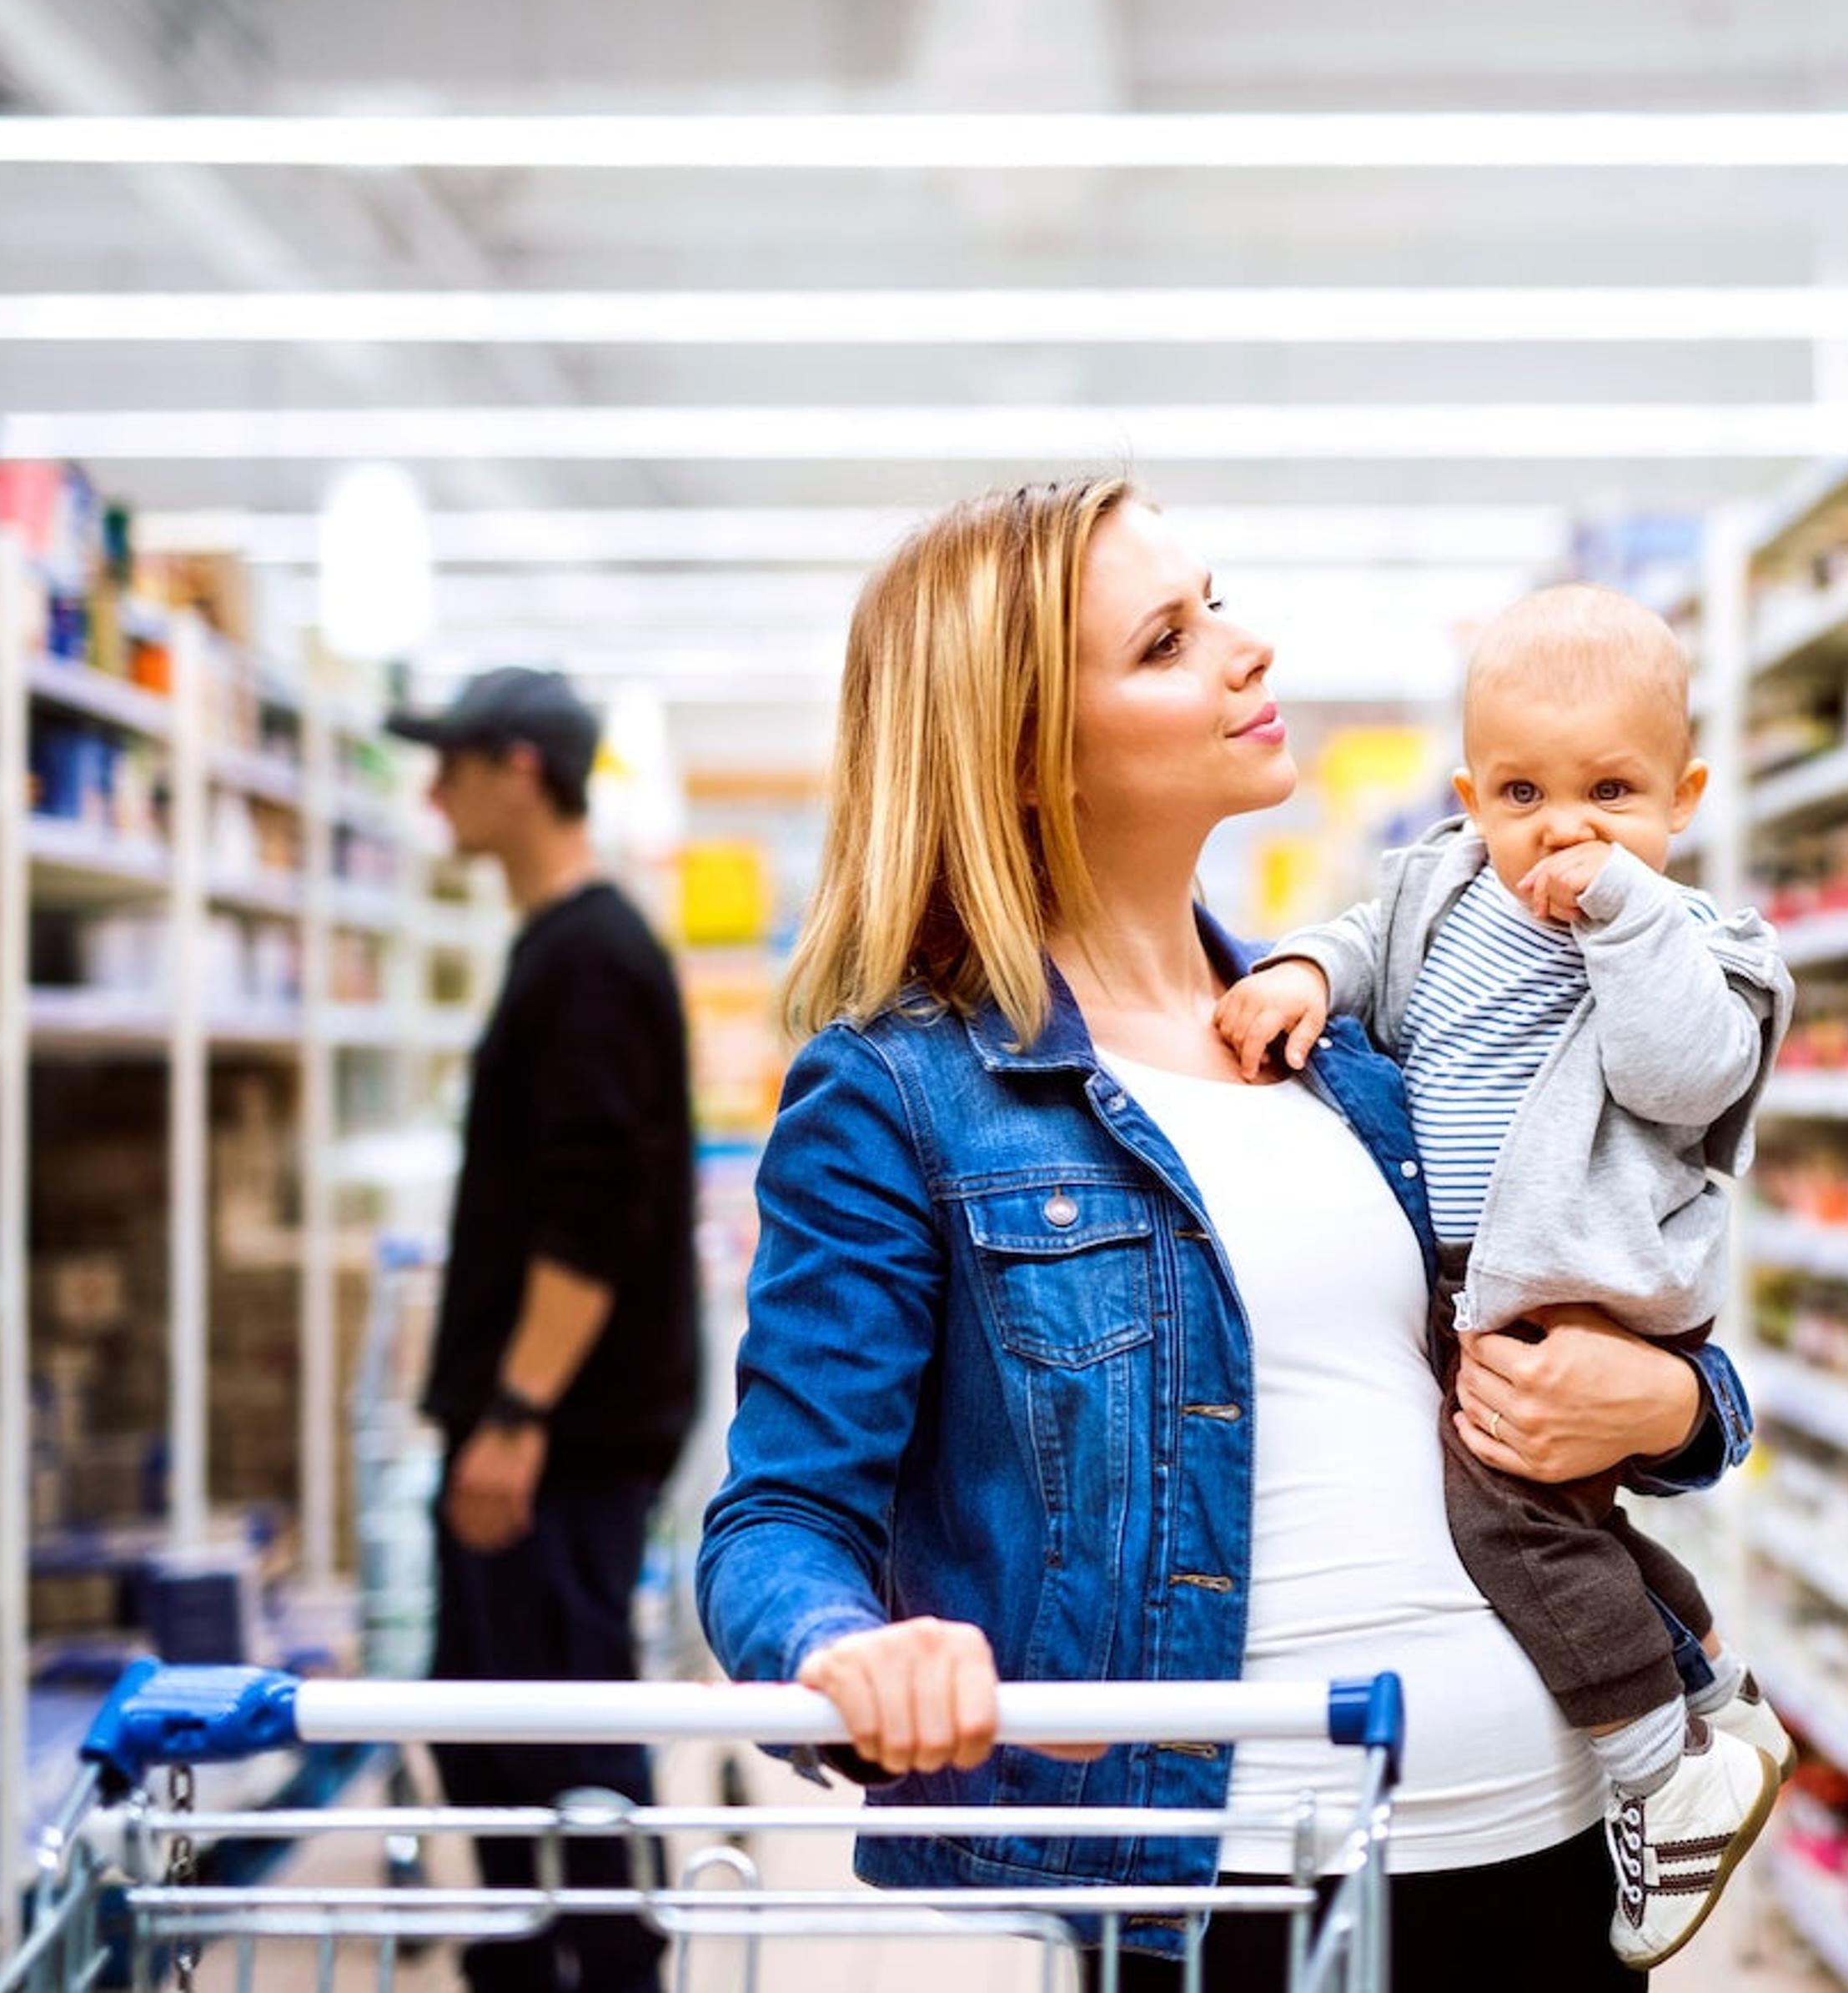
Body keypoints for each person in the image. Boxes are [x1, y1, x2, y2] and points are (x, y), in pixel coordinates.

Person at [696, 478, 1755, 1990]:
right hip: (1227, 1888)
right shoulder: (901, 1095)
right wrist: (839, 1646)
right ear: (1026, 758)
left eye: (1221, 601)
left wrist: (1673, 1407)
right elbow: (778, 1519)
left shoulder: (1355, 1042)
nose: (1247, 651)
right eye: (1167, 641)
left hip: (1559, 1842)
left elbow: (1624, 1343)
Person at [1213, 581, 1795, 1968]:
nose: (1565, 827)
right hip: (1463, 1268)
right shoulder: (1443, 887)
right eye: (1524, 791)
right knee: (1556, 1523)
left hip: (1584, 1270)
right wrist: (1302, 968)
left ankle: (1664, 1773)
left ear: (1684, 796)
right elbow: (1364, 940)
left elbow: (1683, 1070)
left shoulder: (1700, 943)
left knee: (1510, 1523)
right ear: (1470, 794)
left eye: (1613, 790)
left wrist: (1623, 914)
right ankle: (1710, 1690)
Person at [389, 667, 700, 1993]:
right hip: (546, 1422)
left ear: (522, 770)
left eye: (450, 765)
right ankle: (528, 1958)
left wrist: (516, 1417)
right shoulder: (561, 945)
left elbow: (596, 1213)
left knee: (563, 1722)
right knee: (485, 1711)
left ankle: (612, 1969)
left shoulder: (591, 957)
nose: (431, 793)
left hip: (561, 1432)